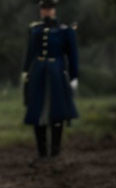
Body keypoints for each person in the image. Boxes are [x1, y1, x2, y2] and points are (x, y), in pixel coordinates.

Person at [22, 0, 79, 160]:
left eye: (49, 8)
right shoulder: (35, 29)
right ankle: (41, 153)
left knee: (58, 112)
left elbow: (72, 55)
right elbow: (30, 53)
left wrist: (74, 76)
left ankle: (55, 152)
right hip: (38, 74)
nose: (46, 12)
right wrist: (26, 72)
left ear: (54, 10)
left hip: (57, 74)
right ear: (41, 10)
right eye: (44, 9)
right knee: (36, 112)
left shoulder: (65, 31)